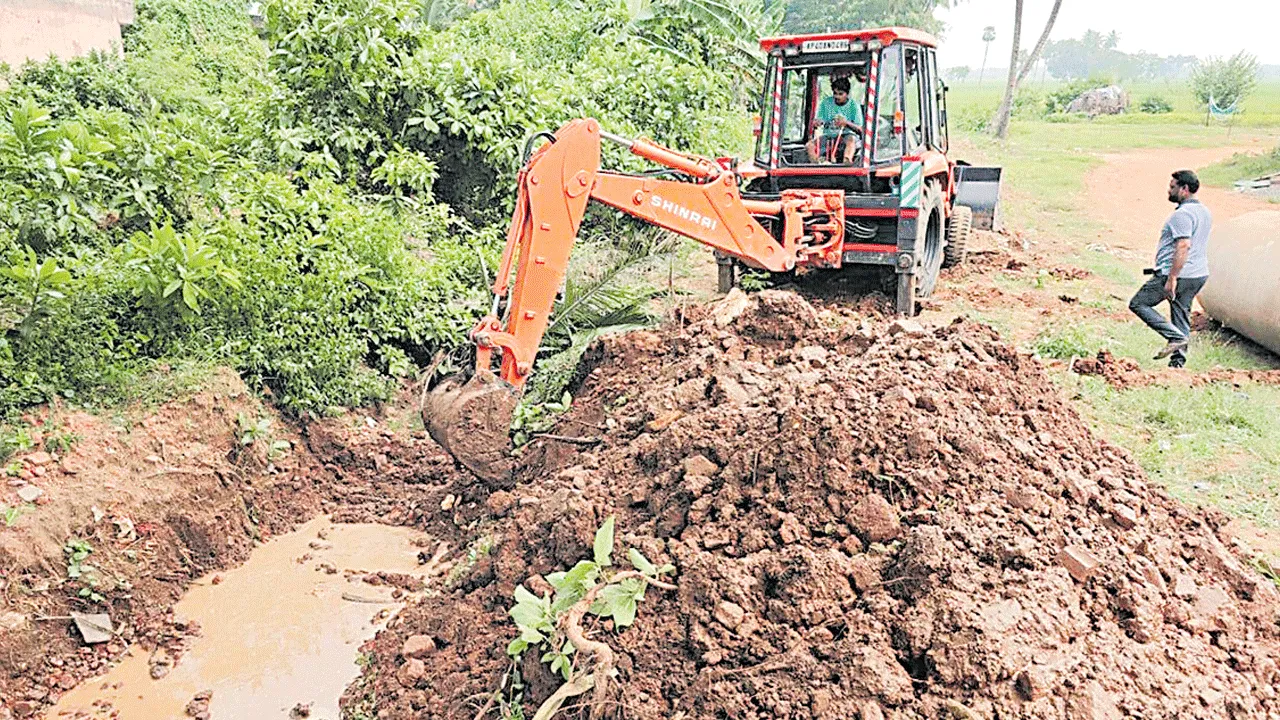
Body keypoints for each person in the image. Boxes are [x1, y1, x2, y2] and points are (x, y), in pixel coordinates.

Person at [1128, 170, 1212, 368]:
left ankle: (1174, 337)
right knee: (1181, 312)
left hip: (1178, 274)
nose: (1169, 190)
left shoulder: (1182, 215)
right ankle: (1177, 364)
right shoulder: (1204, 212)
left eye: (1173, 186)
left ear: (1184, 189)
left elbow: (1183, 246)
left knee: (1139, 303)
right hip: (1198, 274)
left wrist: (1172, 277)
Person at [807, 75, 864, 164]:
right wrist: (817, 122)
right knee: (809, 145)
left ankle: (847, 162)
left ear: (847, 94)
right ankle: (817, 164)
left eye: (840, 94)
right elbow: (819, 120)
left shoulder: (854, 106)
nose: (837, 96)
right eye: (835, 93)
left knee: (851, 140)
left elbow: (861, 129)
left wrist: (846, 123)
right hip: (829, 136)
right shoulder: (826, 103)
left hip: (847, 136)